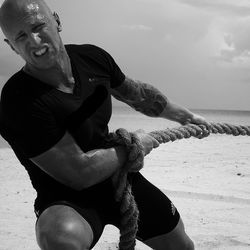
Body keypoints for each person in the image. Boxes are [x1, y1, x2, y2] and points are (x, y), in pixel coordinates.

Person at [0, 0, 210, 249]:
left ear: (56, 20)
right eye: (21, 36)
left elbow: (140, 95)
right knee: (60, 240)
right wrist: (135, 145)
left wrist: (186, 118)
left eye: (38, 26)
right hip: (65, 197)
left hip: (119, 178)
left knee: (182, 246)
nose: (34, 41)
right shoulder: (18, 99)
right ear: (11, 45)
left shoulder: (92, 58)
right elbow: (78, 173)